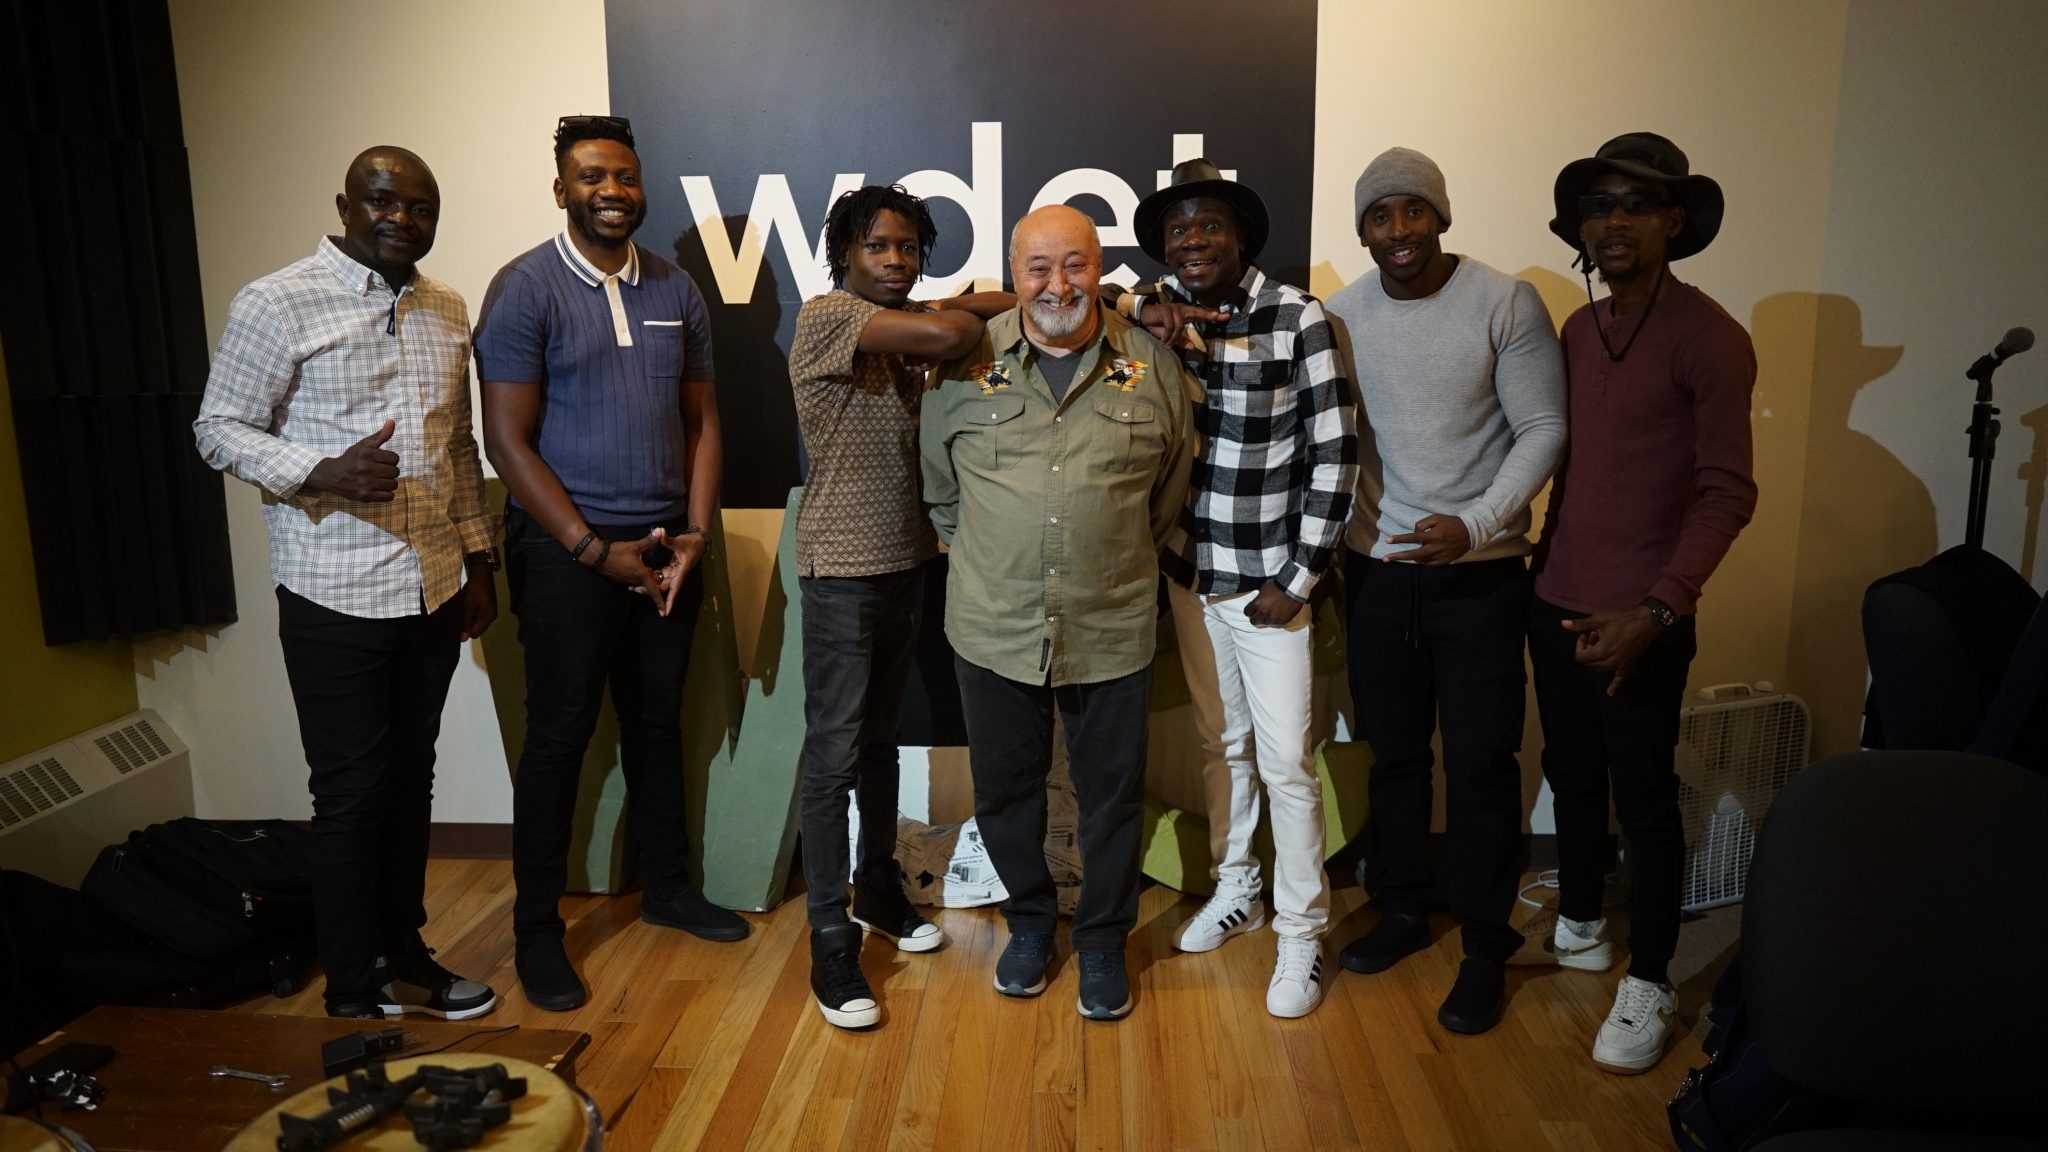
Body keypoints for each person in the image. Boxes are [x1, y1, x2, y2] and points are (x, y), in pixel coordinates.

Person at [194, 146, 498, 1021]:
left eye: (420, 207)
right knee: (351, 794)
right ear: (345, 204)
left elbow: (459, 449)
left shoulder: (445, 306)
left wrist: (479, 560)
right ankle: (353, 990)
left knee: (412, 786)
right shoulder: (276, 300)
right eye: (382, 201)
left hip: (434, 588)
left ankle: (406, 955)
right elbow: (217, 428)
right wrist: (320, 469)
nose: (401, 219)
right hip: (334, 592)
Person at [476, 114, 747, 1014]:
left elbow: (704, 422)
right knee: (557, 738)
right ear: (561, 189)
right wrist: (595, 551)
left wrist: (696, 536)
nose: (611, 191)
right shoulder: (523, 289)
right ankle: (536, 932)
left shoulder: (677, 289)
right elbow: (506, 444)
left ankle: (667, 889)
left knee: (659, 725)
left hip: (669, 547)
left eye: (625, 176)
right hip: (568, 558)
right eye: (591, 176)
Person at [921, 205, 1193, 1021]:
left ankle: (1104, 943)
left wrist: (1102, 564)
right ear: (1015, 274)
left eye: (1074, 265)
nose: (1057, 285)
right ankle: (1032, 927)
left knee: (1112, 797)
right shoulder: (964, 368)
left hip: (1111, 624)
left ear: (1098, 266)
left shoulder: (1150, 366)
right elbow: (940, 492)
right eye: (1038, 268)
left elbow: (1166, 492)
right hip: (991, 625)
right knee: (1007, 792)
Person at [1323, 147, 1566, 1035]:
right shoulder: (1340, 315)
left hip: (1481, 578)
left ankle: (1486, 941)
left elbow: (1543, 426)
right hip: (1378, 575)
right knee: (1393, 756)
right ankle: (1399, 908)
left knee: (1479, 764)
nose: (1398, 233)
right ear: (1364, 231)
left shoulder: (1504, 301)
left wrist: (1476, 521)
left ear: (1441, 216)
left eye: (1412, 212)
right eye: (1380, 217)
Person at [1532, 132, 1755, 1073]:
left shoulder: (1711, 338)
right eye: (1598, 206)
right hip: (1556, 600)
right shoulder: (1581, 330)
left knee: (1646, 801)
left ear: (1674, 220)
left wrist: (1657, 612)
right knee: (1572, 776)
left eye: (1633, 204)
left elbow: (1727, 493)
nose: (1612, 221)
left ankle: (1652, 978)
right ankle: (1581, 916)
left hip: (1643, 620)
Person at [1117, 160, 1358, 1018]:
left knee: (1288, 762)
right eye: (1178, 231)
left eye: (1208, 225)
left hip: (1270, 587)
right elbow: (1095, 307)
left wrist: (1300, 579)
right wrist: (1142, 309)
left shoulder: (1299, 318)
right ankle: (1237, 888)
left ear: (1241, 235)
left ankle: (1302, 932)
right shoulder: (1152, 315)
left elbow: (1336, 454)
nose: (1193, 241)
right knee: (1221, 747)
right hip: (1192, 576)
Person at [787, 184, 1012, 1029]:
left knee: (879, 744)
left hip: (910, 563)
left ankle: (880, 890)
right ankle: (827, 941)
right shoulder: (828, 317)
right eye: (879, 246)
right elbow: (956, 327)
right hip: (840, 571)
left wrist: (1037, 286)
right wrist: (1027, 292)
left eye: (909, 247)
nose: (895, 260)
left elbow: (956, 310)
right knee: (834, 755)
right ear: (846, 252)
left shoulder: (904, 314)